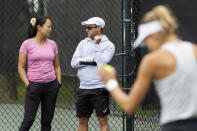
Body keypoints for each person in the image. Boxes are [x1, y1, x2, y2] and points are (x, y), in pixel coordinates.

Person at [98, 5, 197, 131]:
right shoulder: (195, 50)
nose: (147, 47)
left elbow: (129, 106)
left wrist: (110, 81)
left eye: (145, 41)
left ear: (155, 35)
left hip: (174, 126)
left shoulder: (152, 60)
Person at [71, 17, 115, 131]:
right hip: (83, 88)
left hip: (100, 89)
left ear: (99, 28)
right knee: (82, 121)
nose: (86, 30)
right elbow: (74, 63)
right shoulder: (82, 43)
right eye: (86, 27)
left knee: (102, 121)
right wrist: (91, 59)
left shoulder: (109, 45)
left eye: (89, 27)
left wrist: (96, 45)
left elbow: (101, 62)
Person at [18, 16, 61, 131]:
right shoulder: (26, 44)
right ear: (39, 28)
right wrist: (28, 85)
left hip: (51, 86)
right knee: (28, 120)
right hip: (34, 86)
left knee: (47, 122)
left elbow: (57, 66)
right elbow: (21, 67)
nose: (50, 29)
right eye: (48, 26)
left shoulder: (53, 44)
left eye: (51, 27)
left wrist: (58, 82)